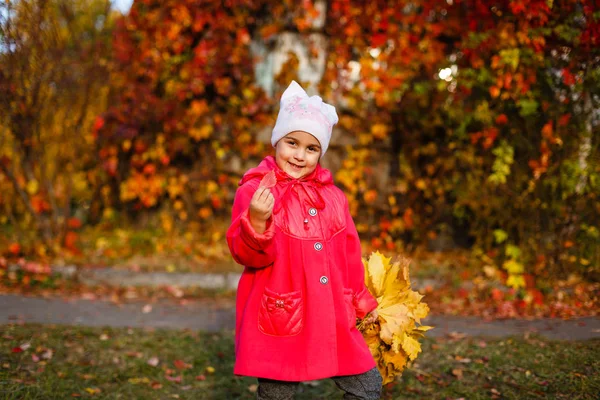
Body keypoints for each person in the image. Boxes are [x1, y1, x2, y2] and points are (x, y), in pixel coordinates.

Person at [226, 81, 382, 400]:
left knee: (368, 386)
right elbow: (249, 256)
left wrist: (363, 302)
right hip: (283, 314)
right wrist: (257, 219)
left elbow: (349, 255)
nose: (299, 156)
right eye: (291, 143)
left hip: (332, 313)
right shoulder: (256, 192)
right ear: (276, 142)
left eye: (311, 149)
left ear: (320, 153)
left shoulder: (334, 198)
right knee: (277, 393)